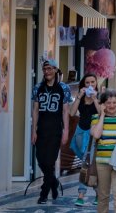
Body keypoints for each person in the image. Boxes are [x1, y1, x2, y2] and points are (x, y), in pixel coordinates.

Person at [32, 59, 72, 203]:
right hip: (41, 129)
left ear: (55, 70)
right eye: (45, 69)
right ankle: (54, 183)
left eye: (49, 68)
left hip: (55, 130)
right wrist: (33, 131)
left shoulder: (63, 88)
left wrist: (66, 131)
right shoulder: (38, 87)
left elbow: (66, 111)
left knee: (50, 161)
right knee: (40, 160)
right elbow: (35, 110)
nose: (47, 72)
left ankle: (44, 193)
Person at [71, 72, 101, 206]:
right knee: (87, 163)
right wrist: (79, 96)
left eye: (92, 82)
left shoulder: (100, 97)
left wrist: (95, 99)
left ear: (96, 84)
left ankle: (82, 194)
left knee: (87, 163)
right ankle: (97, 193)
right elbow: (72, 113)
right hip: (80, 132)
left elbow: (102, 114)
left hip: (93, 133)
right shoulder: (81, 97)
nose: (90, 85)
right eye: (87, 83)